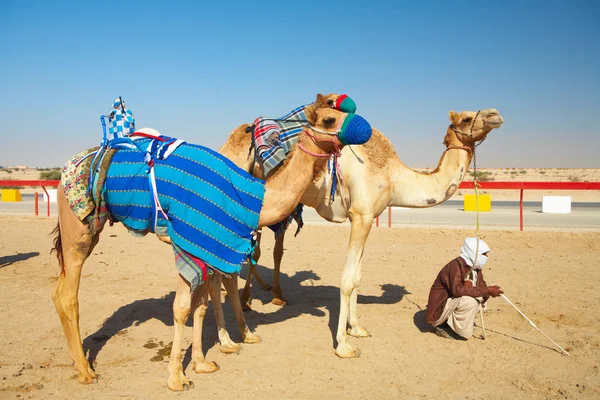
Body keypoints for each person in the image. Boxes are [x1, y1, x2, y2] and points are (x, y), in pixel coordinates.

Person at [425, 237, 503, 339]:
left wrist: (486, 291)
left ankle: (455, 324)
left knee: (480, 299)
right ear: (473, 253)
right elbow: (457, 290)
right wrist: (486, 290)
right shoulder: (456, 266)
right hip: (438, 311)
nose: (486, 256)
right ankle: (443, 326)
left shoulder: (474, 267)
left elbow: (481, 288)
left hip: (452, 303)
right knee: (469, 301)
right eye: (484, 254)